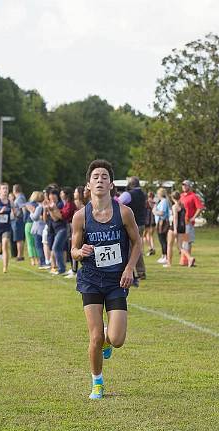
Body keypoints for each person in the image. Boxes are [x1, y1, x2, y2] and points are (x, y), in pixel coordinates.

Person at [70, 159, 141, 400]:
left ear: (111, 184)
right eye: (95, 177)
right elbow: (73, 250)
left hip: (116, 281)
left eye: (104, 176)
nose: (100, 180)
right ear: (88, 185)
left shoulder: (124, 212)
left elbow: (137, 242)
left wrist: (130, 268)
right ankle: (97, 382)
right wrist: (81, 253)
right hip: (90, 279)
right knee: (95, 336)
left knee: (116, 339)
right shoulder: (81, 216)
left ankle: (108, 340)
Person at [118, 177, 148, 279]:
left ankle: (131, 272)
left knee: (130, 248)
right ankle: (140, 272)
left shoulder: (128, 194)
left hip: (131, 224)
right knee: (137, 247)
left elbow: (117, 203)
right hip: (141, 223)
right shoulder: (143, 194)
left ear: (130, 184)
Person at [179, 180, 204, 266]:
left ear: (189, 186)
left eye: (185, 185)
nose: (184, 187)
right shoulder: (181, 196)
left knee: (187, 241)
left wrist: (193, 217)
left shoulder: (193, 196)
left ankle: (187, 260)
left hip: (187, 222)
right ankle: (185, 260)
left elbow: (200, 207)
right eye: (183, 185)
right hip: (181, 222)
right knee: (183, 241)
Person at [172, 191, 195, 267]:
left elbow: (175, 218)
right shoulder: (182, 205)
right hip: (184, 226)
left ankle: (189, 258)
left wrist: (175, 229)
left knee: (179, 246)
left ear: (172, 198)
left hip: (178, 226)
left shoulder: (174, 206)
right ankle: (187, 259)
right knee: (182, 244)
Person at [153, 188, 170, 265]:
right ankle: (163, 255)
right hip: (159, 222)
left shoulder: (164, 202)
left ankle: (165, 256)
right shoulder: (161, 201)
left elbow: (162, 213)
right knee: (161, 240)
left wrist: (154, 212)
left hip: (162, 223)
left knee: (163, 240)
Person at [12, 184, 27, 262]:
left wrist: (24, 219)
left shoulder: (20, 198)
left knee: (19, 239)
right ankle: (19, 255)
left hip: (19, 220)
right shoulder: (20, 197)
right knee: (19, 238)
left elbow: (23, 208)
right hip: (18, 219)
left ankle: (20, 256)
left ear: (14, 190)